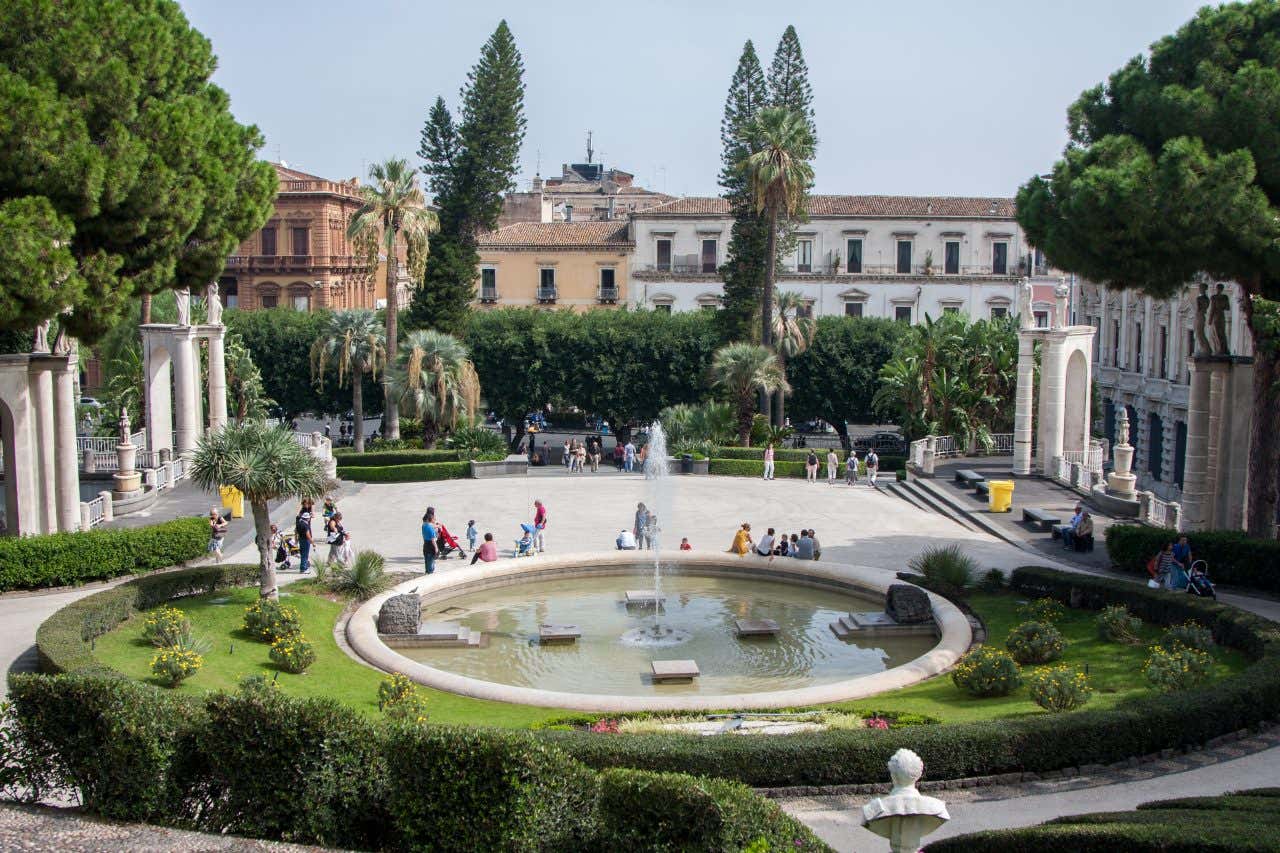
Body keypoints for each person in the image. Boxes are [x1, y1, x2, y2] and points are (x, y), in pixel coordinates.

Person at [295, 499, 314, 573]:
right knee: (305, 554)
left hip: (300, 538)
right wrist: (312, 541)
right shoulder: (305, 524)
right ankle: (303, 568)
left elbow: (296, 531)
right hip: (305, 539)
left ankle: (304, 566)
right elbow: (307, 534)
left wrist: (296, 539)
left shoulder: (299, 522)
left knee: (303, 553)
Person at [421, 508, 439, 575]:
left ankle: (427, 572)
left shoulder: (424, 525)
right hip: (431, 545)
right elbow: (433, 540)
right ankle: (430, 573)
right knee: (431, 560)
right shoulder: (431, 528)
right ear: (431, 520)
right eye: (434, 519)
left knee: (426, 560)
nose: (435, 520)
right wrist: (436, 548)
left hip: (425, 543)